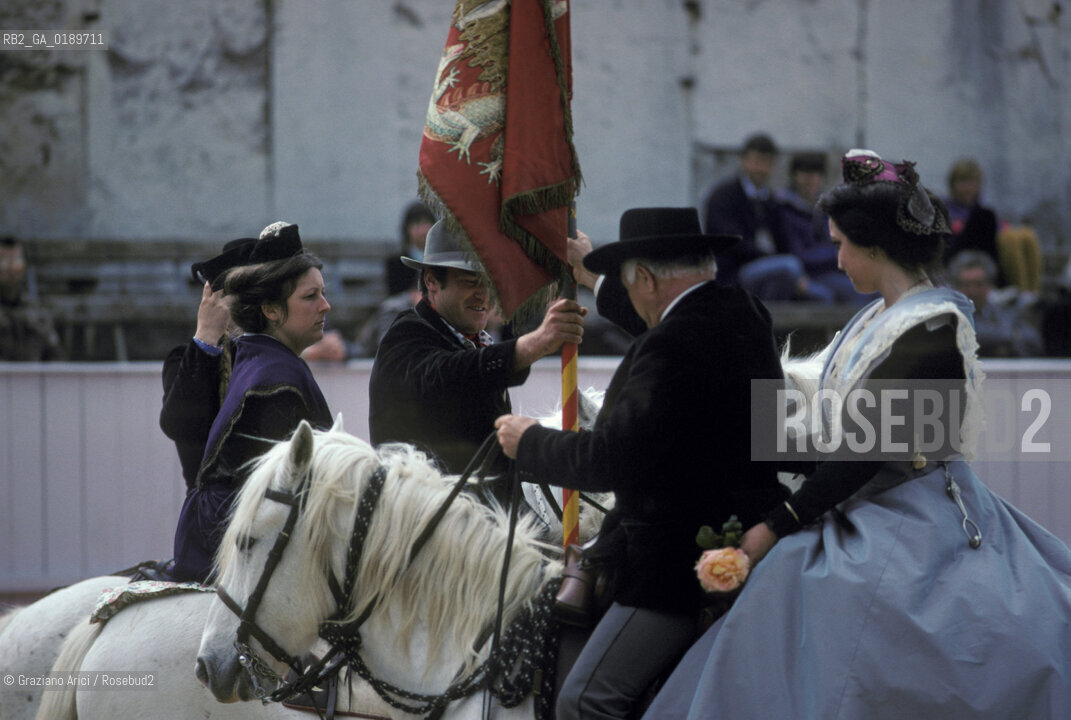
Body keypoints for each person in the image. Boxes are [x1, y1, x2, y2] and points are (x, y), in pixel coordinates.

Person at [642, 151, 1071, 719]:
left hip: (911, 517)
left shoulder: (934, 328)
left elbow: (866, 450)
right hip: (863, 504)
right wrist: (709, 418)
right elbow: (821, 426)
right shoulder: (874, 316)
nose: (835, 258)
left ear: (875, 245)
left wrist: (775, 526)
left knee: (800, 586)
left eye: (841, 243)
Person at [494, 207, 790, 720]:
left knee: (584, 702)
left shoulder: (671, 347)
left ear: (648, 278)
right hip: (746, 532)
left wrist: (531, 442)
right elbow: (666, 324)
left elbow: (611, 459)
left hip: (671, 566)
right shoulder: (744, 313)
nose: (633, 301)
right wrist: (597, 276)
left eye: (633, 286)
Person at [171, 222, 333, 583]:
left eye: (323, 293)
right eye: (311, 297)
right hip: (226, 559)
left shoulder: (263, 359)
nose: (326, 306)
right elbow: (287, 504)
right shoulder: (275, 380)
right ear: (271, 310)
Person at [368, 219, 586, 480]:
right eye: (471, 281)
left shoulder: (472, 340)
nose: (484, 294)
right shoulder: (405, 335)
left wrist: (559, 449)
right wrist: (537, 342)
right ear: (431, 281)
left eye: (489, 282)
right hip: (427, 514)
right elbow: (452, 374)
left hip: (479, 510)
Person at [159, 237, 256, 488]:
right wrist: (206, 335)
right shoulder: (188, 361)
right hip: (214, 515)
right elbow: (179, 423)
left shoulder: (276, 359)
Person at [701, 133, 813, 301]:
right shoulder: (723, 196)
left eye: (768, 163)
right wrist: (770, 258)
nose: (762, 169)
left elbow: (784, 240)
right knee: (788, 267)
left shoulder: (771, 200)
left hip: (768, 267)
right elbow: (732, 244)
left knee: (820, 293)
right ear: (743, 161)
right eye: (757, 162)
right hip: (733, 273)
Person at [776, 152, 872, 305]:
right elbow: (797, 254)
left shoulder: (825, 208)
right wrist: (836, 256)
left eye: (815, 175)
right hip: (808, 274)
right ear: (795, 176)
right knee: (856, 294)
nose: (811, 180)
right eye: (805, 175)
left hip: (831, 270)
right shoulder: (784, 209)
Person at [943, 157, 1042, 300]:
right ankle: (1015, 288)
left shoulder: (982, 210)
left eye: (972, 183)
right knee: (993, 223)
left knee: (1026, 234)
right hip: (960, 256)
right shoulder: (946, 209)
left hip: (986, 253)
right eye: (963, 182)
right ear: (953, 184)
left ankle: (1031, 292)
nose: (968, 188)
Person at [950, 249, 1042, 357]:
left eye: (979, 284)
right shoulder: (947, 317)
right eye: (966, 285)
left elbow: (1034, 341)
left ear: (989, 286)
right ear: (955, 288)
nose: (973, 291)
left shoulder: (1005, 313)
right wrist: (1010, 336)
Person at [0, 236, 63, 361]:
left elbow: (55, 357)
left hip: (32, 378)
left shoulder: (38, 313)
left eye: (16, 259)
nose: (11, 268)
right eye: (3, 260)